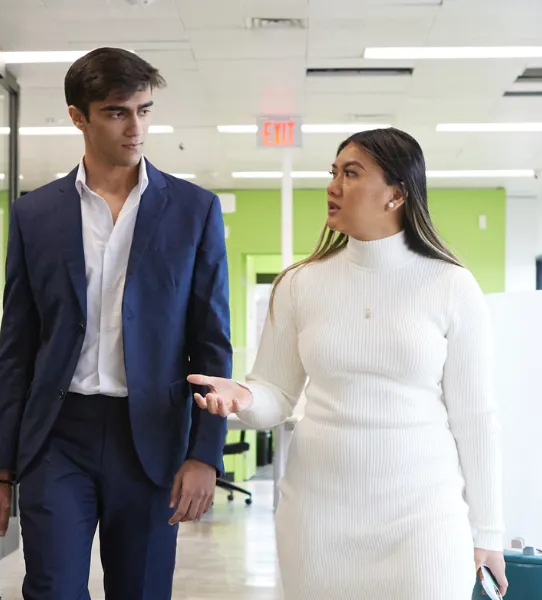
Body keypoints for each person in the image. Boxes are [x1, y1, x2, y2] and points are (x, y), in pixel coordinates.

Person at [188, 128, 508, 599]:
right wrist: (243, 398)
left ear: (396, 194)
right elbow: (276, 394)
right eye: (333, 172)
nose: (333, 186)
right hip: (318, 516)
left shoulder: (451, 286)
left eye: (351, 173)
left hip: (423, 516)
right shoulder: (300, 283)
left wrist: (488, 533)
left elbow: (476, 418)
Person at [0, 47, 232, 600]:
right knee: (52, 588)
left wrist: (204, 454)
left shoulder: (194, 211)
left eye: (144, 109)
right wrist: (0, 471)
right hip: (57, 436)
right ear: (78, 116)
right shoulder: (34, 215)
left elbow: (211, 345)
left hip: (152, 438)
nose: (135, 126)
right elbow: (16, 348)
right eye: (117, 112)